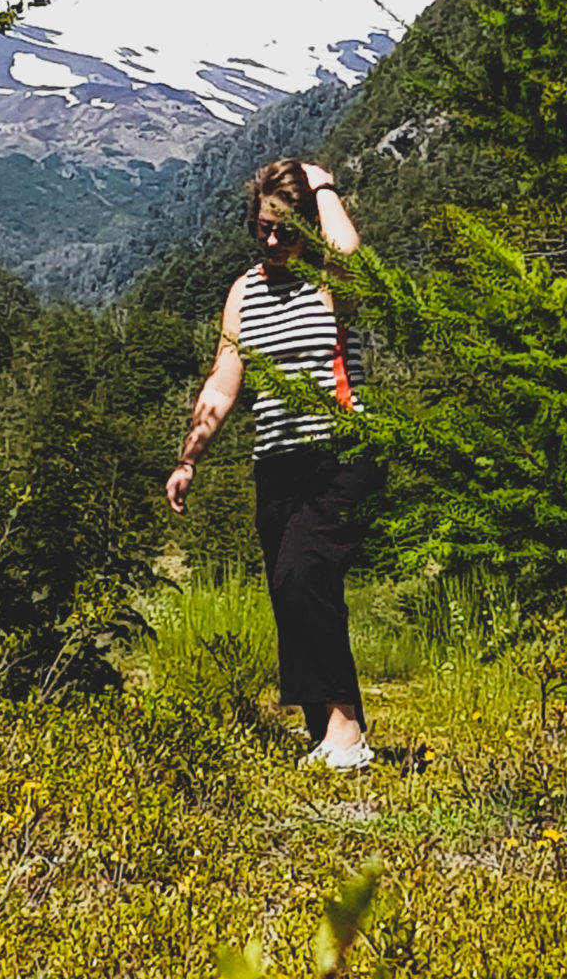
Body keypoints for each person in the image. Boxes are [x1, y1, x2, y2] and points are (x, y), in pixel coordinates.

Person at [164, 156, 381, 770]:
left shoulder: (331, 280)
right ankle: (327, 732)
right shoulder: (245, 291)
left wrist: (324, 186)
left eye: (288, 228)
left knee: (303, 575)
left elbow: (349, 248)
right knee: (291, 594)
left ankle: (346, 735)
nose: (274, 239)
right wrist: (189, 459)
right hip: (276, 461)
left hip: (342, 452)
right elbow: (223, 382)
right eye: (264, 226)